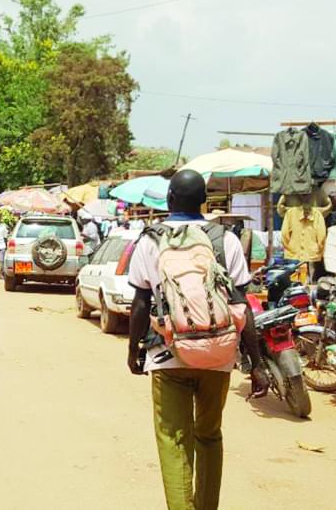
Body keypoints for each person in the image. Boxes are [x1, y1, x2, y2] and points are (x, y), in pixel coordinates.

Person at [126, 170, 267, 510]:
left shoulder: (150, 240)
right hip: (218, 356)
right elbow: (241, 304)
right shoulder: (225, 239)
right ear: (204, 200)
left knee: (173, 441)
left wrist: (134, 351)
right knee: (209, 435)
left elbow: (141, 303)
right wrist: (256, 363)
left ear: (169, 199)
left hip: (168, 354)